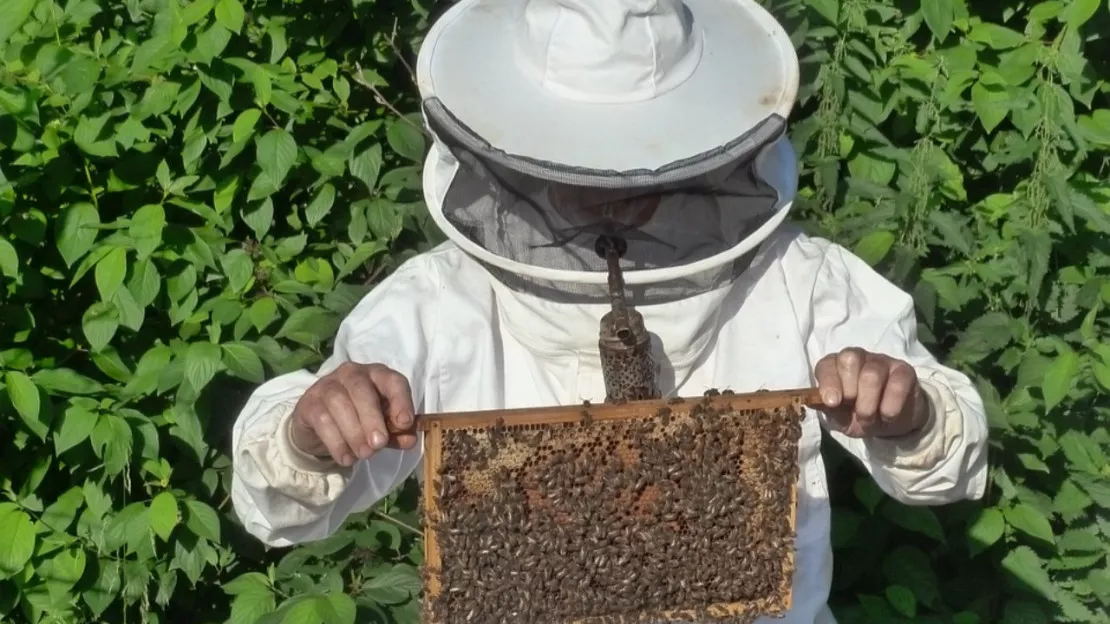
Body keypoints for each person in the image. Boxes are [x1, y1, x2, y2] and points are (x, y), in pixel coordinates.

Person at [230, 0, 989, 621]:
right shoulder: (441, 301)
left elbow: (948, 465)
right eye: (574, 165)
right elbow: (278, 510)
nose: (606, 195)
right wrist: (312, 433)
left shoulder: (799, 279)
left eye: (633, 162)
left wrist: (906, 411)